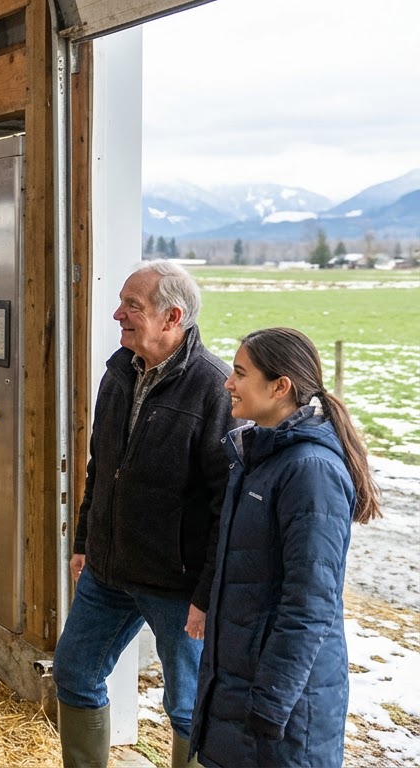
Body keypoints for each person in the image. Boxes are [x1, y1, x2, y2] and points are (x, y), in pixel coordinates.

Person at [54, 260, 236, 768]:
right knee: (74, 673)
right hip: (109, 570)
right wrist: (86, 541)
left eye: (132, 306)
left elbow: (227, 503)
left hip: (177, 583)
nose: (118, 314)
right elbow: (101, 465)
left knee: (187, 707)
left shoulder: (213, 388)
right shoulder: (119, 371)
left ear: (172, 316)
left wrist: (206, 592)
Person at [190, 327, 380, 768]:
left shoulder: (309, 470)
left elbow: (309, 604)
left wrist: (271, 705)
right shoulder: (260, 453)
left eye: (240, 373)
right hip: (241, 693)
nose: (227, 382)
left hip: (283, 708)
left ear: (280, 387)